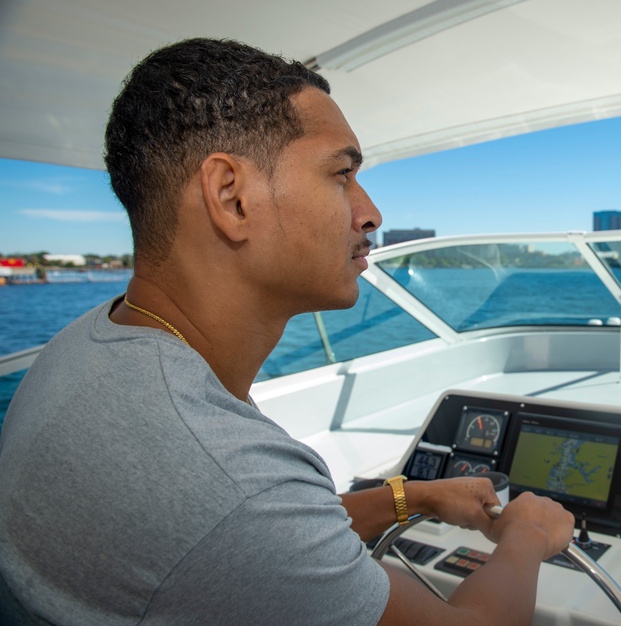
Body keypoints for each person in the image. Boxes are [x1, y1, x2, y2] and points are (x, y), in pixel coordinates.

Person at [0, 38, 574, 625]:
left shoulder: (84, 347)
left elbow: (252, 539)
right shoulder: (227, 478)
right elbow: (246, 518)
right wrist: (527, 535)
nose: (371, 212)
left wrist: (416, 497)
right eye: (342, 174)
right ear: (232, 197)